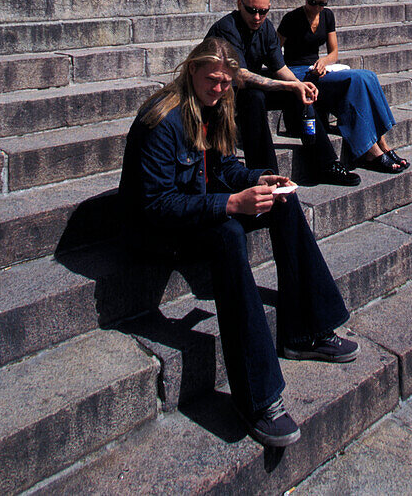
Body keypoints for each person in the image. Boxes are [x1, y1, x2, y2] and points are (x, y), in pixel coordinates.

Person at [118, 37, 359, 448]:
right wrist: (230, 203)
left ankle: (306, 331)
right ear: (190, 70)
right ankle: (258, 398)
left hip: (196, 203)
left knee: (283, 200)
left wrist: (258, 180)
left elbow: (225, 165)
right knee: (228, 233)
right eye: (212, 80)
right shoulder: (162, 120)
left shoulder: (217, 107)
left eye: (226, 82)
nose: (218, 88)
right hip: (156, 230)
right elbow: (155, 205)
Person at [206, 0, 359, 186]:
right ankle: (266, 174)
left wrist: (299, 86)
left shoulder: (266, 27)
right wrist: (289, 86)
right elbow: (240, 76)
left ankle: (327, 164)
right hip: (218, 92)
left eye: (263, 12)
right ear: (239, 5)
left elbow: (279, 67)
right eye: (251, 10)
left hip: (244, 87)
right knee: (255, 97)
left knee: (296, 91)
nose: (257, 17)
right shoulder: (227, 28)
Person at [277, 0, 410, 174]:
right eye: (312, 2)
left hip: (319, 68)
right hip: (298, 72)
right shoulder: (291, 19)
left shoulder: (327, 16)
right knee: (356, 79)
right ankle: (371, 150)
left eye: (322, 3)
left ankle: (384, 145)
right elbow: (275, 52)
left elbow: (334, 53)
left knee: (368, 76)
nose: (316, 8)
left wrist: (323, 61)